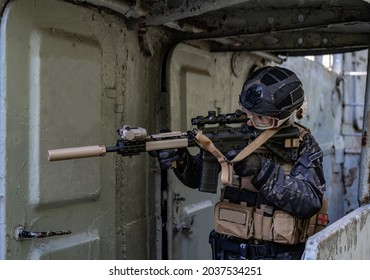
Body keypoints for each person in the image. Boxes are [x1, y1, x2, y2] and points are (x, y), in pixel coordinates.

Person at [153, 66, 327, 260]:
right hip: (229, 254)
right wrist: (182, 160)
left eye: (261, 117)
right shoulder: (237, 135)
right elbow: (198, 177)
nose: (250, 121)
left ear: (282, 118)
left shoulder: (302, 143)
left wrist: (262, 170)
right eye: (247, 112)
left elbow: (310, 202)